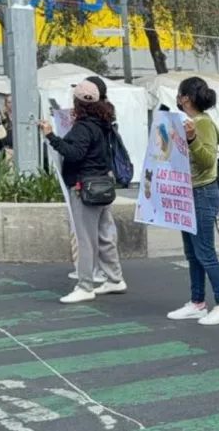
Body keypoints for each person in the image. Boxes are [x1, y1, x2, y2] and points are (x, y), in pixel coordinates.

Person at [38, 80, 126, 303]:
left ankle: (85, 285)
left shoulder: (82, 127)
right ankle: (114, 278)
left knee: (86, 239)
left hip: (84, 187)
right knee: (104, 235)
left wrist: (51, 136)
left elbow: (74, 153)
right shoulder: (104, 123)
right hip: (103, 185)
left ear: (76, 102)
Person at [166, 76, 219, 326]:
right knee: (192, 253)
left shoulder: (202, 123)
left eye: (179, 94)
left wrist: (192, 139)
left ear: (185, 98)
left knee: (205, 252)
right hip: (188, 192)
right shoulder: (186, 122)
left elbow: (207, 161)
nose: (177, 98)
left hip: (203, 192)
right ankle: (197, 302)